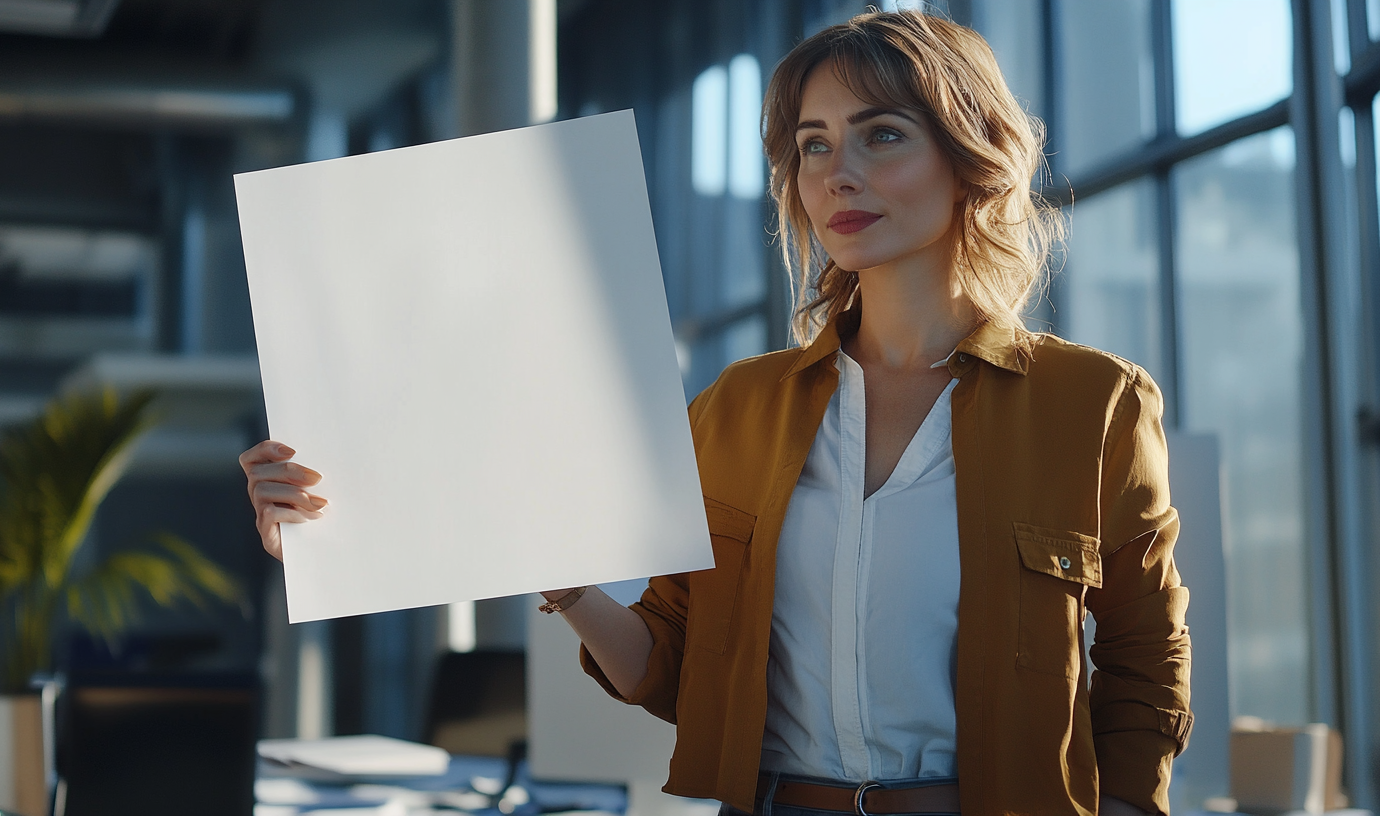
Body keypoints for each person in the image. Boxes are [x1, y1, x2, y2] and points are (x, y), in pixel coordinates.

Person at [241, 10, 1190, 816]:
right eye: (813, 144)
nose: (836, 173)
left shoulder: (1094, 404)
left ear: (969, 153)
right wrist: (357, 528)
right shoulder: (740, 409)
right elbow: (666, 669)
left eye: (881, 134)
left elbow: (1146, 665)